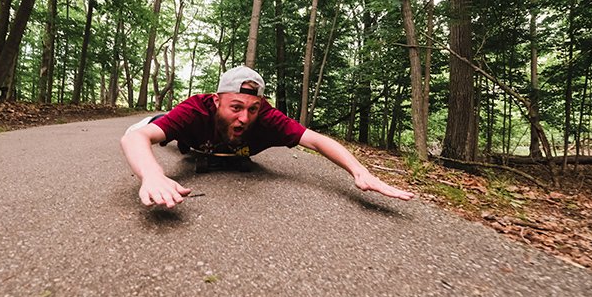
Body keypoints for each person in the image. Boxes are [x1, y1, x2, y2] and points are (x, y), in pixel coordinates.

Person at [121, 66, 414, 208]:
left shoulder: (268, 118)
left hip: (228, 150)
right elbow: (134, 138)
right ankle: (159, 118)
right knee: (159, 133)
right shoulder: (197, 109)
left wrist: (360, 172)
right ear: (216, 101)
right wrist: (152, 175)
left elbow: (316, 140)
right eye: (235, 107)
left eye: (252, 109)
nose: (244, 118)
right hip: (192, 141)